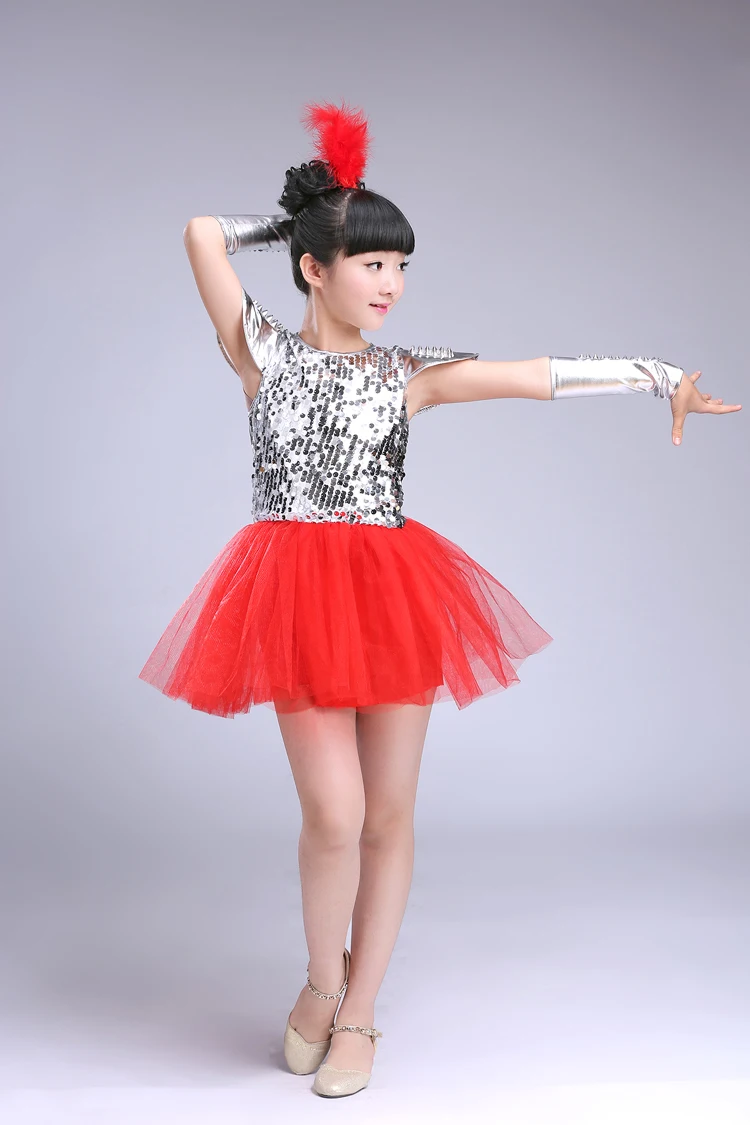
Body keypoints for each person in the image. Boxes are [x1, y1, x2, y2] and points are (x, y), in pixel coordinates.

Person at [138, 101, 740, 1098]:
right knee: (332, 814)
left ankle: (362, 1011)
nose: (392, 284)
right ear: (314, 269)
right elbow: (203, 233)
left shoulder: (407, 372)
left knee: (386, 813)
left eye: (402, 265)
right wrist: (303, 217)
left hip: (392, 593)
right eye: (372, 263)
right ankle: (321, 981)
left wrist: (659, 376)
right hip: (294, 592)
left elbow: (531, 375)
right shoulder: (262, 353)